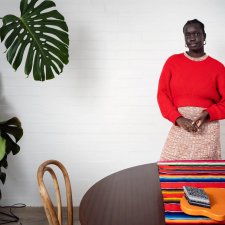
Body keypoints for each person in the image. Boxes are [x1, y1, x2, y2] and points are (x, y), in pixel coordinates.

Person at [157, 19, 225, 160]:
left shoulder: (217, 67)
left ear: (204, 36)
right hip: (181, 125)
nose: (192, 38)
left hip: (207, 128)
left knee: (204, 176)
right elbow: (162, 95)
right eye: (188, 35)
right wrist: (178, 118)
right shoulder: (172, 62)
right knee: (170, 170)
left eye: (196, 33)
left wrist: (208, 113)